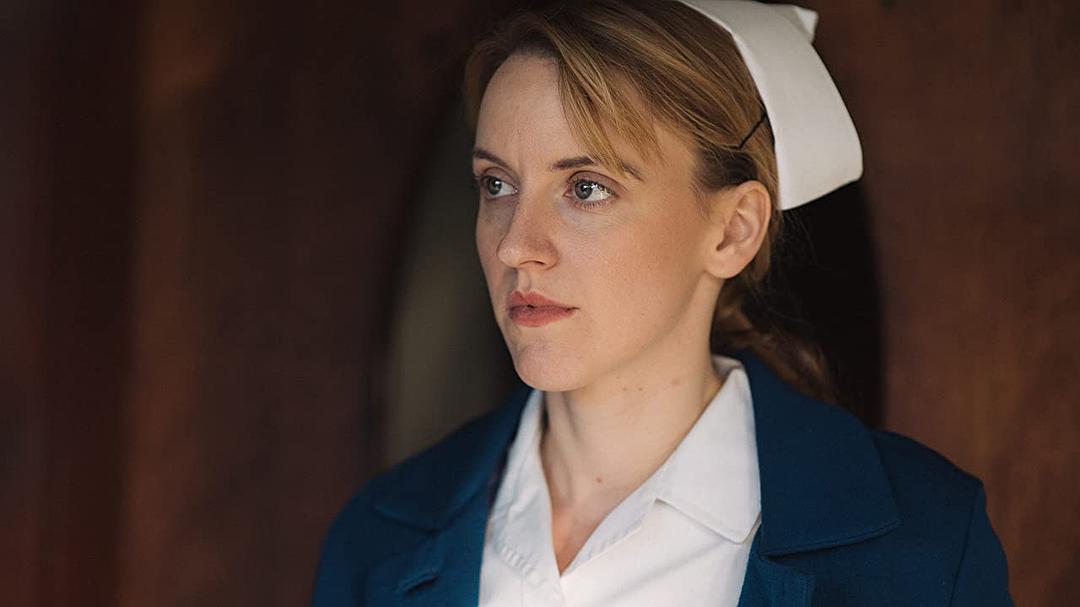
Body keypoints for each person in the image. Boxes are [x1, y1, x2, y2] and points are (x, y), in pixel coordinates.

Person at [311, 1, 1013, 605]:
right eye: (497, 184)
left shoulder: (923, 542)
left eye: (586, 188)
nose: (516, 246)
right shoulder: (378, 539)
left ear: (733, 230)